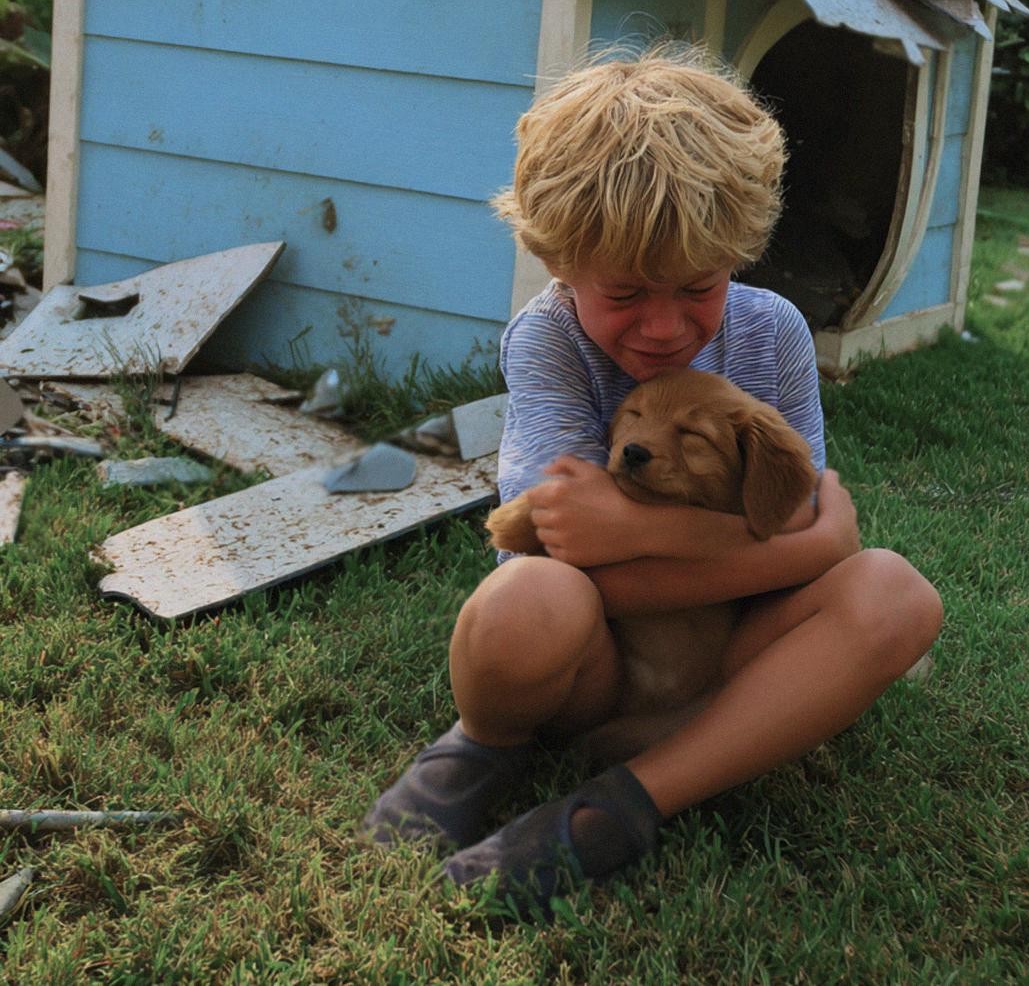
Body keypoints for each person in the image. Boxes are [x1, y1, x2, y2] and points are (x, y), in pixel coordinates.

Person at [361, 49, 943, 912]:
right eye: (626, 292)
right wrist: (810, 538)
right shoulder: (547, 340)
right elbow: (560, 557)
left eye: (697, 288)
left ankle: (626, 801)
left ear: (736, 257)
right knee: (528, 601)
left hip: (731, 661)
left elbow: (817, 537)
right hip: (595, 667)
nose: (665, 327)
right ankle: (483, 743)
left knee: (896, 594)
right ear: (560, 263)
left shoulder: (773, 333)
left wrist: (637, 531)